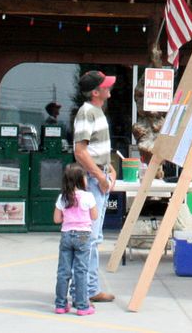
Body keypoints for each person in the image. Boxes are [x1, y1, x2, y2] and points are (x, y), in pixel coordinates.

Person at [72, 70, 117, 303]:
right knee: (90, 237)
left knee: (93, 236)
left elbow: (92, 151)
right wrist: (100, 175)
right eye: (105, 86)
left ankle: (88, 288)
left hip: (96, 177)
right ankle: (86, 290)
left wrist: (109, 170)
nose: (109, 89)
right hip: (92, 181)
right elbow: (80, 152)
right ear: (95, 92)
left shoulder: (94, 111)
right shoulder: (87, 112)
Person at [54, 163, 98, 316]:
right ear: (81, 180)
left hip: (66, 235)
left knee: (63, 271)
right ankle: (82, 306)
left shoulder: (62, 197)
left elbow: (56, 219)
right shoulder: (88, 196)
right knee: (81, 271)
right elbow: (94, 216)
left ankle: (60, 305)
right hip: (83, 236)